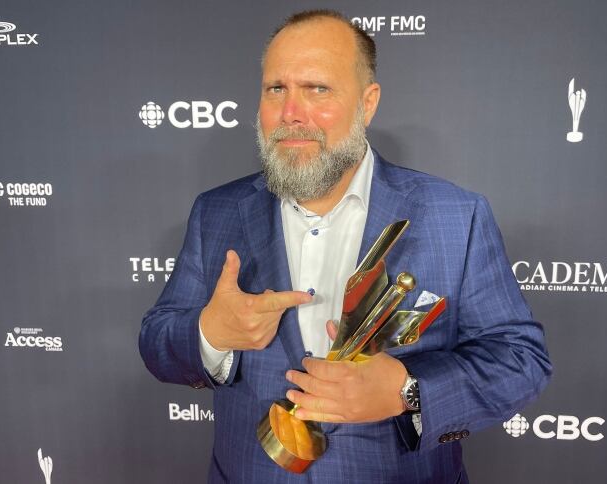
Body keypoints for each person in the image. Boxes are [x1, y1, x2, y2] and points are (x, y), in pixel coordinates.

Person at [139, 9, 551, 483]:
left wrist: (408, 390)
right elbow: (157, 342)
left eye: (318, 89)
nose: (291, 112)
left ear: (367, 102)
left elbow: (520, 360)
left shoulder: (456, 215)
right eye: (277, 89)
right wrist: (210, 332)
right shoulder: (216, 212)